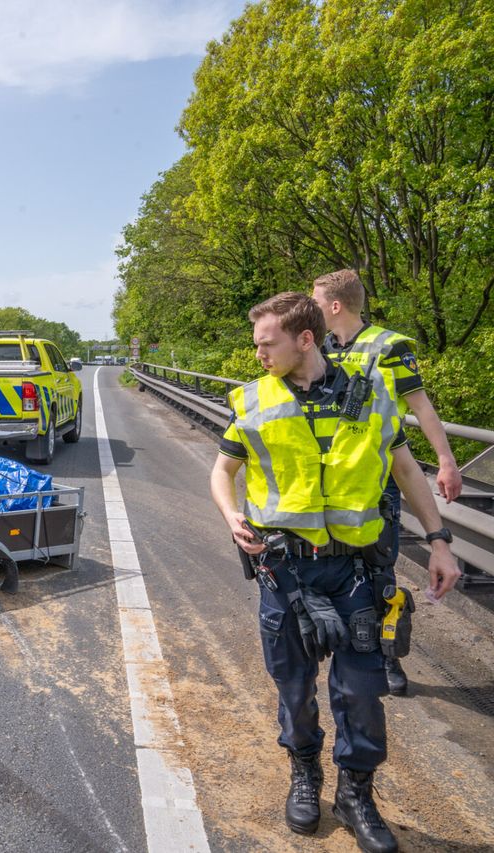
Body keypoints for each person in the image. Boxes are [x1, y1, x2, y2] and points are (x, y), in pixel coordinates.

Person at [209, 292, 460, 853]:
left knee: (362, 693)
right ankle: (305, 774)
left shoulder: (371, 396)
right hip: (286, 573)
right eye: (256, 344)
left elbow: (406, 471)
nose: (258, 355)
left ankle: (356, 793)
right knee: (294, 688)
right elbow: (222, 473)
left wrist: (439, 541)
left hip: (355, 573)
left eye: (266, 343)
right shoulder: (252, 402)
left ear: (305, 339)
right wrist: (231, 515)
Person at [312, 268, 462, 697]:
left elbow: (422, 408)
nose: (313, 307)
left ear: (335, 306)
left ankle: (388, 658)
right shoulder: (319, 347)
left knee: (380, 571)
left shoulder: (389, 346)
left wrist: (446, 461)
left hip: (380, 478)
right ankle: (348, 649)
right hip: (331, 481)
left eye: (317, 300)